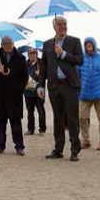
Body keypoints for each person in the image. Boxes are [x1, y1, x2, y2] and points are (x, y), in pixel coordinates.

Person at [37, 16, 84, 162]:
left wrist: (63, 54)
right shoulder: (47, 44)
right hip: (54, 86)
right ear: (54, 27)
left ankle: (75, 150)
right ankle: (58, 150)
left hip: (70, 85)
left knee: (72, 118)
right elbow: (43, 66)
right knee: (57, 119)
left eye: (65, 24)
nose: (63, 26)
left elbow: (80, 60)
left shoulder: (74, 41)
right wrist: (40, 85)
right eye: (60, 24)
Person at [0, 37, 28, 155]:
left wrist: (20, 90)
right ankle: (0, 146)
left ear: (13, 43)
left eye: (10, 43)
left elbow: (25, 77)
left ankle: (19, 147)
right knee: (0, 121)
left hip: (15, 95)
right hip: (0, 95)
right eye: (5, 43)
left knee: (15, 122)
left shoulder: (21, 57)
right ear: (1, 44)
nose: (8, 45)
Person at [24, 49, 46, 136]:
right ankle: (30, 129)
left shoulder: (41, 63)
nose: (32, 55)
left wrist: (40, 74)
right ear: (28, 54)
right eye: (30, 53)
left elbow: (48, 75)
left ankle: (42, 130)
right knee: (30, 112)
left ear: (36, 54)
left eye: (34, 53)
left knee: (41, 111)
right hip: (28, 91)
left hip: (39, 92)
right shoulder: (24, 64)